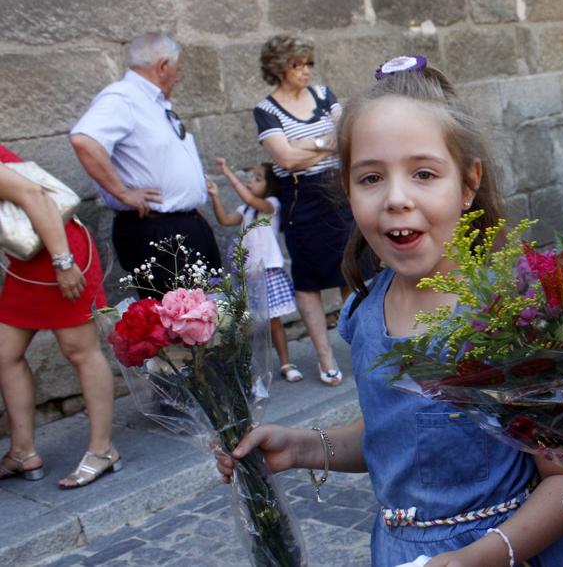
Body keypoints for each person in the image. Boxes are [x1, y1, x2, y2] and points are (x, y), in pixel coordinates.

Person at [218, 56, 563, 565]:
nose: (395, 198)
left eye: (423, 173)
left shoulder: (510, 315)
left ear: (468, 182)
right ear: (346, 189)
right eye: (370, 178)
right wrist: (302, 446)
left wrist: (477, 557)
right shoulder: (366, 310)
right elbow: (398, 437)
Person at [0, 144, 118, 489]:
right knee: (5, 354)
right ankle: (23, 453)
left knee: (79, 350)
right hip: (27, 263)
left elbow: (34, 195)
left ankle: (102, 450)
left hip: (59, 254)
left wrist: (63, 263)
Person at [69, 32, 221, 294]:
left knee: (208, 312)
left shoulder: (152, 103)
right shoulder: (123, 97)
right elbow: (84, 140)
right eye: (177, 68)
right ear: (163, 66)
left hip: (183, 223)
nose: (179, 76)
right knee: (177, 320)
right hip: (158, 229)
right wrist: (122, 191)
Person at [252, 34, 352, 386]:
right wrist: (327, 143)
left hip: (338, 192)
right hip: (302, 199)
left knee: (351, 273)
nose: (306, 71)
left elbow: (346, 136)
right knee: (309, 281)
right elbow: (285, 159)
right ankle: (325, 357)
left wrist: (309, 145)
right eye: (297, 65)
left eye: (308, 63)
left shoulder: (324, 95)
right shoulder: (266, 110)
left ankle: (365, 348)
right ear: (279, 69)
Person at [206, 159, 301, 382]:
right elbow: (225, 219)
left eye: (257, 178)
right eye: (251, 177)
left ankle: (286, 363)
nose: (251, 181)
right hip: (249, 275)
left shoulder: (271, 205)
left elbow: (249, 197)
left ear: (270, 186)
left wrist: (228, 173)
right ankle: (257, 367)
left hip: (267, 271)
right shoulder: (246, 210)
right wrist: (215, 196)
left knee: (274, 321)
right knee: (251, 324)